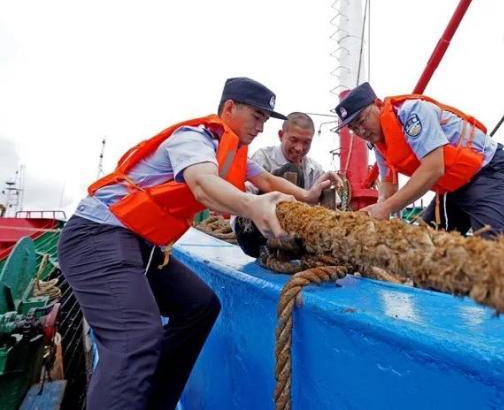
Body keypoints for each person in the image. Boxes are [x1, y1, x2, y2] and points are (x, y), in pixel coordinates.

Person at [58, 77, 340, 410]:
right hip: (96, 235)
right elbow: (202, 184)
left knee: (198, 306)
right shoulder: (194, 139)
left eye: (265, 119)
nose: (261, 127)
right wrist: (253, 206)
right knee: (135, 338)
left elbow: (264, 179)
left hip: (139, 245)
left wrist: (307, 195)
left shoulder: (233, 152)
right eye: (257, 116)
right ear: (230, 108)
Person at [334, 82, 504, 240]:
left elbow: (434, 167)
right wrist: (375, 210)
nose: (361, 131)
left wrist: (387, 207)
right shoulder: (380, 143)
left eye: (362, 120)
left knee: (496, 248)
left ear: (377, 105)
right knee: (425, 247)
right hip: (453, 188)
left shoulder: (412, 112)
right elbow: (388, 186)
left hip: (487, 171)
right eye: (353, 128)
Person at [249, 112, 324, 190]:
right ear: (281, 135)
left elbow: (334, 199)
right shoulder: (263, 159)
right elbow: (248, 194)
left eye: (306, 142)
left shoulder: (315, 171)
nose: (299, 148)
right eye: (294, 140)